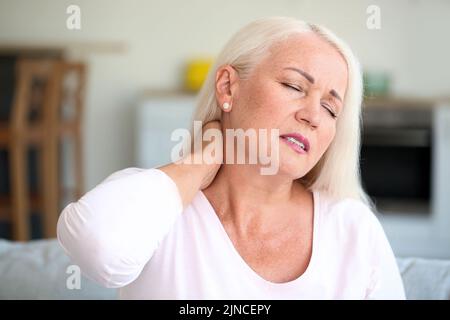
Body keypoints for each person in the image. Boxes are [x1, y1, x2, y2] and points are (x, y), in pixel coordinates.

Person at [57, 17, 406, 299]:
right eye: (295, 87)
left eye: (331, 108)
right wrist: (206, 157)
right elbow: (96, 247)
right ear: (227, 87)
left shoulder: (353, 229)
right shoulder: (161, 215)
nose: (313, 115)